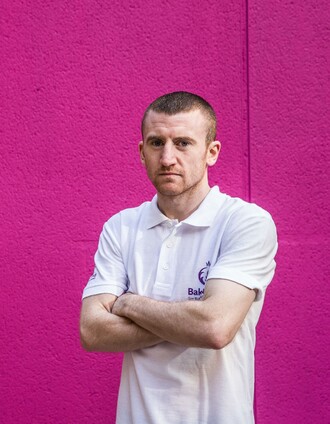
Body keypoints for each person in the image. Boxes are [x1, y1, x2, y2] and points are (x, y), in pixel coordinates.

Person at [79, 91, 277, 424]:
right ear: (142, 152)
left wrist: (128, 303)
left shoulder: (245, 222)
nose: (168, 158)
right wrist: (190, 319)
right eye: (157, 143)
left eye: (183, 143)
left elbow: (214, 327)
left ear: (211, 152)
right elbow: (92, 331)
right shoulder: (121, 227)